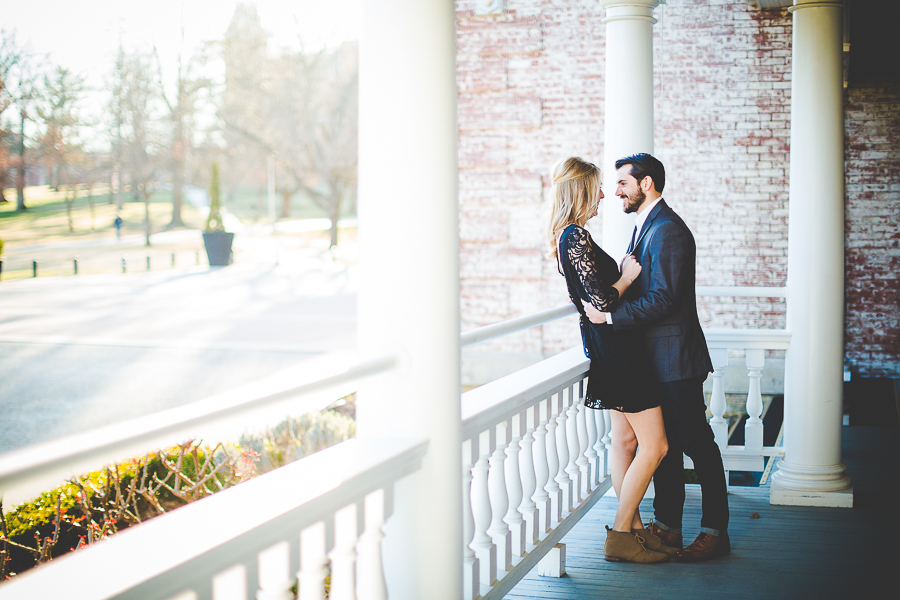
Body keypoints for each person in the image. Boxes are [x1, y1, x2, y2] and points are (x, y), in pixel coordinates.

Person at [584, 153, 730, 562]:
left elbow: (664, 298)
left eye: (622, 184)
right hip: (652, 359)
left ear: (646, 183)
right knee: (661, 448)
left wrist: (611, 316)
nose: (616, 192)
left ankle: (716, 532)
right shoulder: (645, 226)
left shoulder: (668, 230)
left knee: (698, 444)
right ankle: (667, 526)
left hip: (675, 358)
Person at [546, 157, 674, 564]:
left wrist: (617, 276)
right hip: (617, 348)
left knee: (626, 441)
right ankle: (620, 534)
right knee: (656, 445)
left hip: (608, 346)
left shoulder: (571, 236)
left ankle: (634, 531)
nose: (604, 194)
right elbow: (600, 302)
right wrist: (627, 276)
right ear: (581, 190)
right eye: (598, 187)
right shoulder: (575, 238)